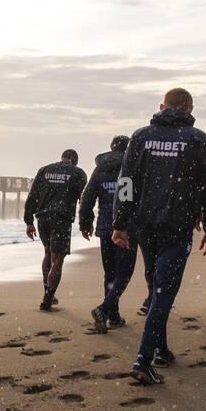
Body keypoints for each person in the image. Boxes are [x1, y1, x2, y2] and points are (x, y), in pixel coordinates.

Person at [112, 88, 206, 384]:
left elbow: (126, 182)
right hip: (176, 224)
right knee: (163, 290)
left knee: (155, 284)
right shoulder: (196, 139)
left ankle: (161, 349)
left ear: (162, 106)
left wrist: (120, 222)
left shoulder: (141, 136)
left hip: (145, 224)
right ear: (189, 107)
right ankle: (143, 359)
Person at [79, 135, 135, 332]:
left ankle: (114, 315)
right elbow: (131, 197)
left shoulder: (100, 168)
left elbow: (87, 198)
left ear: (111, 147)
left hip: (104, 226)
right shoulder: (130, 166)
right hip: (126, 228)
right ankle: (104, 309)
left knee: (110, 273)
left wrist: (85, 223)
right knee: (125, 273)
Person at [24, 149, 88, 311]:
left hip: (43, 217)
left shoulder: (45, 170)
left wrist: (29, 221)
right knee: (58, 260)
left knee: (47, 253)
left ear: (63, 158)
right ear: (75, 160)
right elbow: (84, 200)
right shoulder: (78, 173)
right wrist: (85, 223)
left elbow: (33, 196)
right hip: (62, 218)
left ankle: (48, 293)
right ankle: (47, 300)